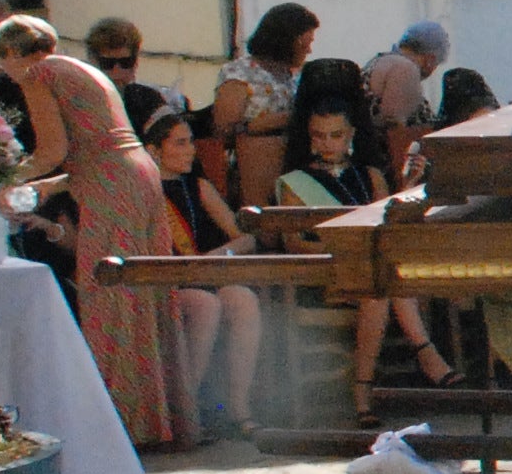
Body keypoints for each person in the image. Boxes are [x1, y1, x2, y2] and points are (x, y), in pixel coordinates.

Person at [0, 12, 180, 449]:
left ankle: (115, 426)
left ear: (14, 54)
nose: (11, 76)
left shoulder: (37, 74)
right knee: (142, 297)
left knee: (109, 294)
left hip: (112, 188)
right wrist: (43, 187)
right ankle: (153, 419)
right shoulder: (82, 69)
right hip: (138, 179)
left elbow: (54, 149)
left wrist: (2, 177)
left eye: (5, 67)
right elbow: (100, 149)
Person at [273, 102, 457, 411]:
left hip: (372, 271)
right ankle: (427, 355)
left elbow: (387, 224)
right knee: (381, 282)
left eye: (335, 135)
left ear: (351, 135)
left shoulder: (370, 176)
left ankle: (364, 392)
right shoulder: (295, 183)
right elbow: (294, 243)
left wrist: (407, 187)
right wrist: (349, 254)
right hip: (328, 272)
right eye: (319, 136)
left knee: (378, 287)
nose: (327, 143)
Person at [143, 108, 262, 438]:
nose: (190, 150)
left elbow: (246, 237)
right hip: (163, 282)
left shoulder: (198, 187)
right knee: (205, 305)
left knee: (243, 300)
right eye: (179, 143)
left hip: (202, 275)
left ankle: (238, 407)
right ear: (154, 150)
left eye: (191, 142)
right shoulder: (142, 191)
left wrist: (214, 256)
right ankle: (186, 410)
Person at [214, 1, 317, 209]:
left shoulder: (295, 77)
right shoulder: (239, 73)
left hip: (292, 165)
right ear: (289, 41)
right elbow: (224, 129)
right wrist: (279, 120)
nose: (309, 50)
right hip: (253, 169)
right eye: (304, 43)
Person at [361, 22, 450, 179]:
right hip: (388, 169)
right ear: (430, 59)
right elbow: (394, 125)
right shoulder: (405, 69)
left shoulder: (380, 61)